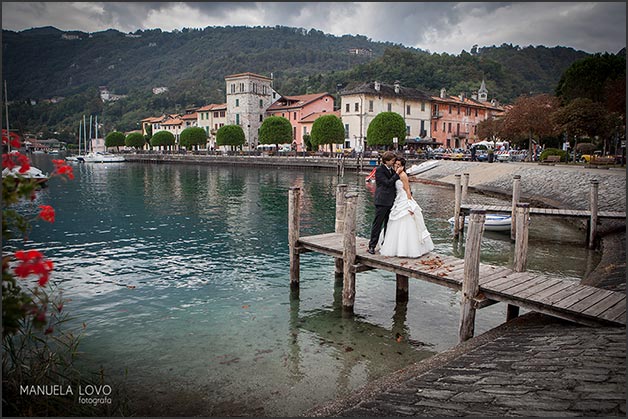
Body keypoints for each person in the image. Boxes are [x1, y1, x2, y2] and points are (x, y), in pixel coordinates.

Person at [378, 157, 434, 258]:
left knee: (406, 222)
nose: (396, 166)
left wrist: (410, 203)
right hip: (397, 200)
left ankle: (409, 249)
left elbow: (408, 189)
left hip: (403, 199)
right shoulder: (395, 174)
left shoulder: (403, 175)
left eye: (399, 165)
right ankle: (394, 247)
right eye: (395, 164)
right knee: (394, 222)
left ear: (403, 166)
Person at [367, 151, 401, 254]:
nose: (394, 162)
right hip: (382, 201)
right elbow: (387, 183)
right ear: (386, 161)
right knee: (377, 224)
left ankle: (385, 244)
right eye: (392, 161)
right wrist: (397, 174)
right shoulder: (379, 170)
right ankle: (372, 246)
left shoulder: (391, 170)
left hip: (391, 201)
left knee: (388, 224)